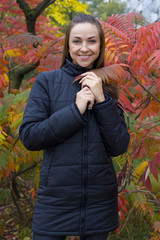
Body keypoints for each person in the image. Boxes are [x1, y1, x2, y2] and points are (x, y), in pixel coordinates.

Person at [19, 14, 130, 240]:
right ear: (68, 45)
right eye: (77, 41)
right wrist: (75, 110)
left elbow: (118, 146)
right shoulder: (46, 82)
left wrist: (101, 101)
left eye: (91, 41)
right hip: (55, 202)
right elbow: (30, 137)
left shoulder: (108, 85)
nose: (84, 48)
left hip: (99, 203)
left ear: (100, 45)